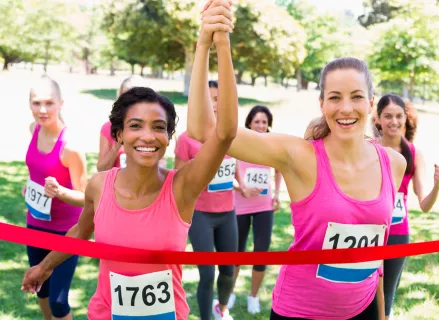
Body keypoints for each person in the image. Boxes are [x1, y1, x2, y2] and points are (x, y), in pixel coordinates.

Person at [20, 5, 237, 319]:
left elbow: (225, 132)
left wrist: (213, 44)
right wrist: (43, 267)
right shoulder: (99, 186)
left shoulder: (183, 186)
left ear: (168, 137)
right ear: (118, 135)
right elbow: (79, 233)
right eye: (135, 126)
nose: (147, 136)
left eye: (159, 127)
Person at [188, 6, 407, 315]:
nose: (346, 108)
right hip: (301, 310)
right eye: (334, 97)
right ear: (322, 103)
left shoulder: (394, 164)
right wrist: (208, 44)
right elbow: (203, 130)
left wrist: (381, 313)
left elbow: (376, 254)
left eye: (356, 96)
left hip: (364, 308)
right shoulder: (299, 157)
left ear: (371, 104)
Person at [372, 94, 439, 319]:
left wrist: (437, 185)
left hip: (396, 233)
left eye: (398, 116)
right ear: (378, 120)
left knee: (387, 293)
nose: (394, 121)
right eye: (388, 116)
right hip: (367, 232)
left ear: (405, 118)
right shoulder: (369, 148)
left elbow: (424, 204)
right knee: (364, 293)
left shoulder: (414, 154)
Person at [23, 75, 88, 320]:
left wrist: (60, 192)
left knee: (59, 301)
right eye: (36, 103)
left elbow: (85, 197)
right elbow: (37, 172)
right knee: (41, 290)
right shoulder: (34, 130)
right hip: (35, 225)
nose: (42, 110)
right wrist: (28, 189)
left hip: (66, 232)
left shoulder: (70, 146)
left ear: (61, 104)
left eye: (49, 103)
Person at [175, 78, 238, 320]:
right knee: (207, 274)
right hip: (200, 214)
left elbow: (233, 171)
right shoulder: (187, 139)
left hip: (227, 212)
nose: (214, 105)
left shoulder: (231, 135)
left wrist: (241, 184)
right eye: (209, 99)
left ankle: (221, 309)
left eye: (219, 99)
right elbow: (179, 181)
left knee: (228, 272)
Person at [228, 105, 282, 314]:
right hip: (240, 205)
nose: (260, 126)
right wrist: (242, 187)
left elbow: (278, 169)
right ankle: (230, 293)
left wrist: (276, 193)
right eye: (257, 121)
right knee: (236, 253)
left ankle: (253, 296)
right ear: (249, 123)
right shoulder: (238, 142)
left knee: (261, 251)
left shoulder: (272, 145)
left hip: (264, 207)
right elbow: (226, 171)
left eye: (264, 122)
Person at [97, 75, 167, 171]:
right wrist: (117, 144)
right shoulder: (108, 127)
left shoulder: (155, 126)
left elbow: (161, 163)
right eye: (125, 98)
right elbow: (101, 169)